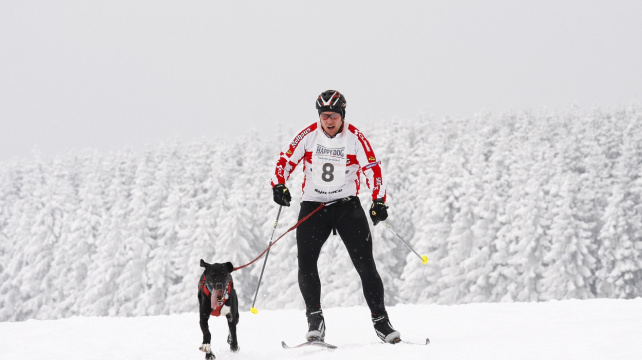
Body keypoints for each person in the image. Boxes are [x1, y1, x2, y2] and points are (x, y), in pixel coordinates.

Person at [270, 90, 400, 343]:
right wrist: (279, 185)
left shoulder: (355, 138)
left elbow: (373, 169)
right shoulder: (307, 135)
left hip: (346, 208)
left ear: (343, 116)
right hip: (313, 207)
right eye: (325, 116)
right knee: (306, 264)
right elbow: (284, 161)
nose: (329, 121)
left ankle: (381, 323)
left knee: (366, 266)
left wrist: (378, 201)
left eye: (334, 116)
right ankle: (315, 320)